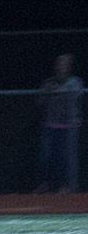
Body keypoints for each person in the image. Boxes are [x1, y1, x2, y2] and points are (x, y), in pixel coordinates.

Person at [35, 53, 83, 193]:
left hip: (69, 126)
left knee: (66, 158)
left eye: (64, 64)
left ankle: (68, 187)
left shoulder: (75, 82)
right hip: (51, 125)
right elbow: (40, 101)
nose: (61, 66)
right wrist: (49, 93)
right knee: (46, 157)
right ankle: (45, 184)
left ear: (69, 67)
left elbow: (76, 96)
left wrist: (59, 92)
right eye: (59, 63)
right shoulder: (48, 83)